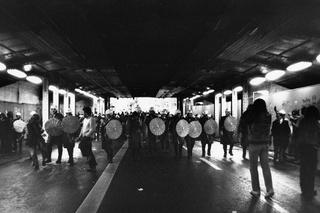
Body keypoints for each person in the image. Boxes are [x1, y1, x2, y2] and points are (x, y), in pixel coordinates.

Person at [247, 99, 274, 198]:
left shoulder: (253, 115)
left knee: (253, 168)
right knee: (265, 167)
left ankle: (256, 190)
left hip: (254, 144)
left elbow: (247, 124)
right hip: (265, 143)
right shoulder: (268, 116)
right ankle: (270, 189)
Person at [297, 105, 320, 200]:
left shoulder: (302, 122)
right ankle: (309, 190)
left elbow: (299, 135)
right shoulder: (315, 123)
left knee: (304, 169)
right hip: (312, 149)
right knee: (311, 171)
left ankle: (304, 189)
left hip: (303, 148)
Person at [78, 107, 97, 172]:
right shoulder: (84, 119)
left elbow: (92, 129)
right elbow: (82, 128)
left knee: (83, 147)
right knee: (88, 151)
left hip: (88, 137)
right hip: (84, 137)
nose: (83, 114)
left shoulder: (92, 119)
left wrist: (87, 135)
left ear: (86, 113)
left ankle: (92, 164)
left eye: (84, 113)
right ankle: (92, 164)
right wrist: (79, 136)